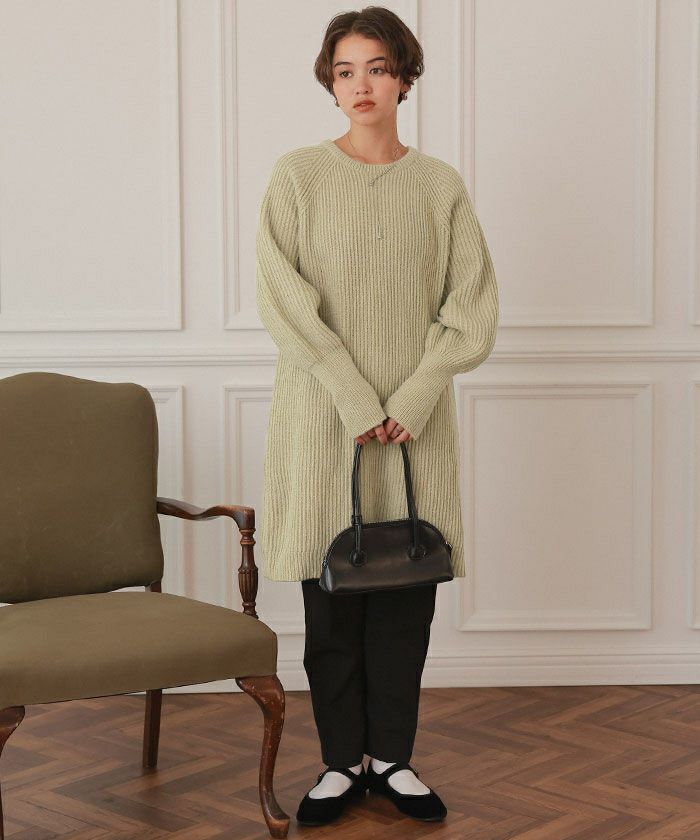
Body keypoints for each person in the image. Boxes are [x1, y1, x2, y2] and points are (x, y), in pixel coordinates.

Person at [255, 5, 499, 828]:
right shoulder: (297, 177)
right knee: (329, 599)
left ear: (405, 77)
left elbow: (471, 307)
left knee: (403, 594)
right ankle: (339, 763)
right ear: (330, 82)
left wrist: (414, 397)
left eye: (379, 68)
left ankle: (392, 758)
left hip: (411, 427)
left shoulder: (440, 186)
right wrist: (355, 397)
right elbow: (283, 301)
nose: (362, 85)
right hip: (322, 418)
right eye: (346, 70)